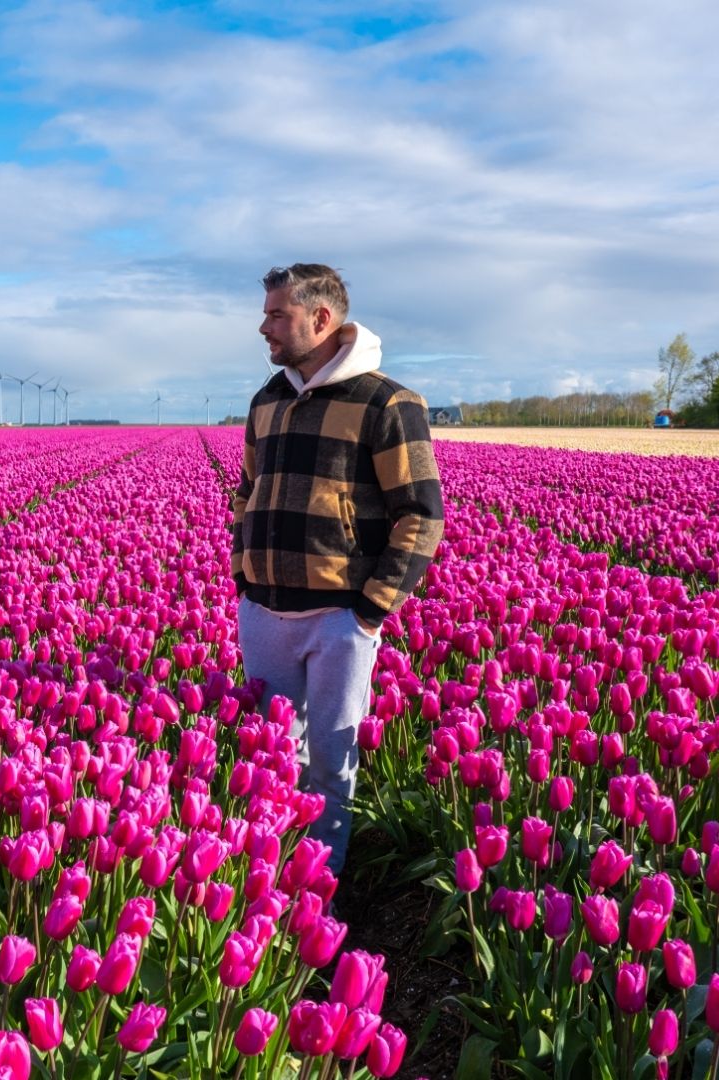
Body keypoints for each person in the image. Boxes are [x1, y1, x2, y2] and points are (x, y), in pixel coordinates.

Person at [230, 264, 444, 875]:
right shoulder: (267, 400)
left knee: (329, 761)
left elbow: (422, 515)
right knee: (272, 757)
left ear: (320, 319)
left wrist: (371, 611)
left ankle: (319, 891)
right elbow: (247, 492)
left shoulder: (387, 403)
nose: (263, 326)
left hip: (338, 618)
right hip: (265, 611)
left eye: (277, 314)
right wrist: (245, 578)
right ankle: (265, 885)